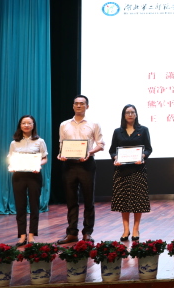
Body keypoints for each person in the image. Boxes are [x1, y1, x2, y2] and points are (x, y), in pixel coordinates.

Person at [57, 95, 104, 244]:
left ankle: (87, 233)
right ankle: (72, 233)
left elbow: (100, 144)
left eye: (82, 104)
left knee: (89, 200)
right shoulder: (64, 124)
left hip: (87, 165)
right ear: (73, 106)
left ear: (87, 106)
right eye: (76, 103)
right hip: (69, 166)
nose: (79, 106)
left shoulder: (94, 124)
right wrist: (61, 154)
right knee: (71, 200)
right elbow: (62, 144)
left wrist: (90, 152)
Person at [109, 104, 152, 241]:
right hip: (121, 170)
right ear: (124, 115)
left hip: (138, 170)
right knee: (124, 201)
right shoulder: (117, 131)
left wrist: (143, 156)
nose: (130, 115)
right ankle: (126, 229)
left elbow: (148, 149)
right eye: (127, 112)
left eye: (133, 112)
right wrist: (115, 158)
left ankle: (135, 229)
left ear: (136, 114)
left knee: (138, 201)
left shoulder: (143, 130)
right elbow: (112, 150)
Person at [8, 115, 48, 246]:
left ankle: (31, 235)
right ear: (20, 125)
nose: (26, 125)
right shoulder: (14, 143)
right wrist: (11, 166)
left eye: (29, 123)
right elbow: (10, 158)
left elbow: (44, 158)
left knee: (34, 205)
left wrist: (38, 165)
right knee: (20, 206)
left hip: (34, 176)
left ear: (33, 125)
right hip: (18, 177)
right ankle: (22, 235)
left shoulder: (40, 141)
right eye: (23, 123)